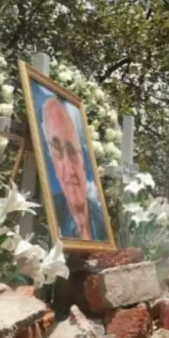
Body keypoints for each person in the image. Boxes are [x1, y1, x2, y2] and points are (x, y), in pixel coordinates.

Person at [42, 96, 108, 241]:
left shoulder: (101, 218)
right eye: (57, 150)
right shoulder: (47, 217)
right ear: (51, 159)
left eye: (72, 151)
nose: (69, 169)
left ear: (84, 161)